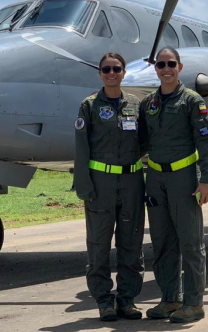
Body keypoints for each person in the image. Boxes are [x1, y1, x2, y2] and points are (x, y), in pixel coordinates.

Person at [139, 47, 208, 323]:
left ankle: (194, 303)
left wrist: (205, 180)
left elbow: (205, 142)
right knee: (162, 243)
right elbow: (142, 142)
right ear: (155, 68)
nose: (166, 68)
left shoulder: (192, 101)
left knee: (191, 243)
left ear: (180, 67)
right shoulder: (149, 103)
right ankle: (171, 298)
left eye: (171, 64)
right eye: (161, 64)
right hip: (156, 179)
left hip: (184, 178)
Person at [73, 52, 145, 322]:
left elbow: (145, 141)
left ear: (124, 72)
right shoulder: (89, 106)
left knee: (131, 244)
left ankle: (127, 300)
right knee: (99, 246)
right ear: (100, 73)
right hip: (100, 185)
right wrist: (84, 187)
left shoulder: (136, 105)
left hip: (131, 183)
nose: (111, 73)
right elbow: (81, 149)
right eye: (106, 69)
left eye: (116, 69)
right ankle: (104, 301)